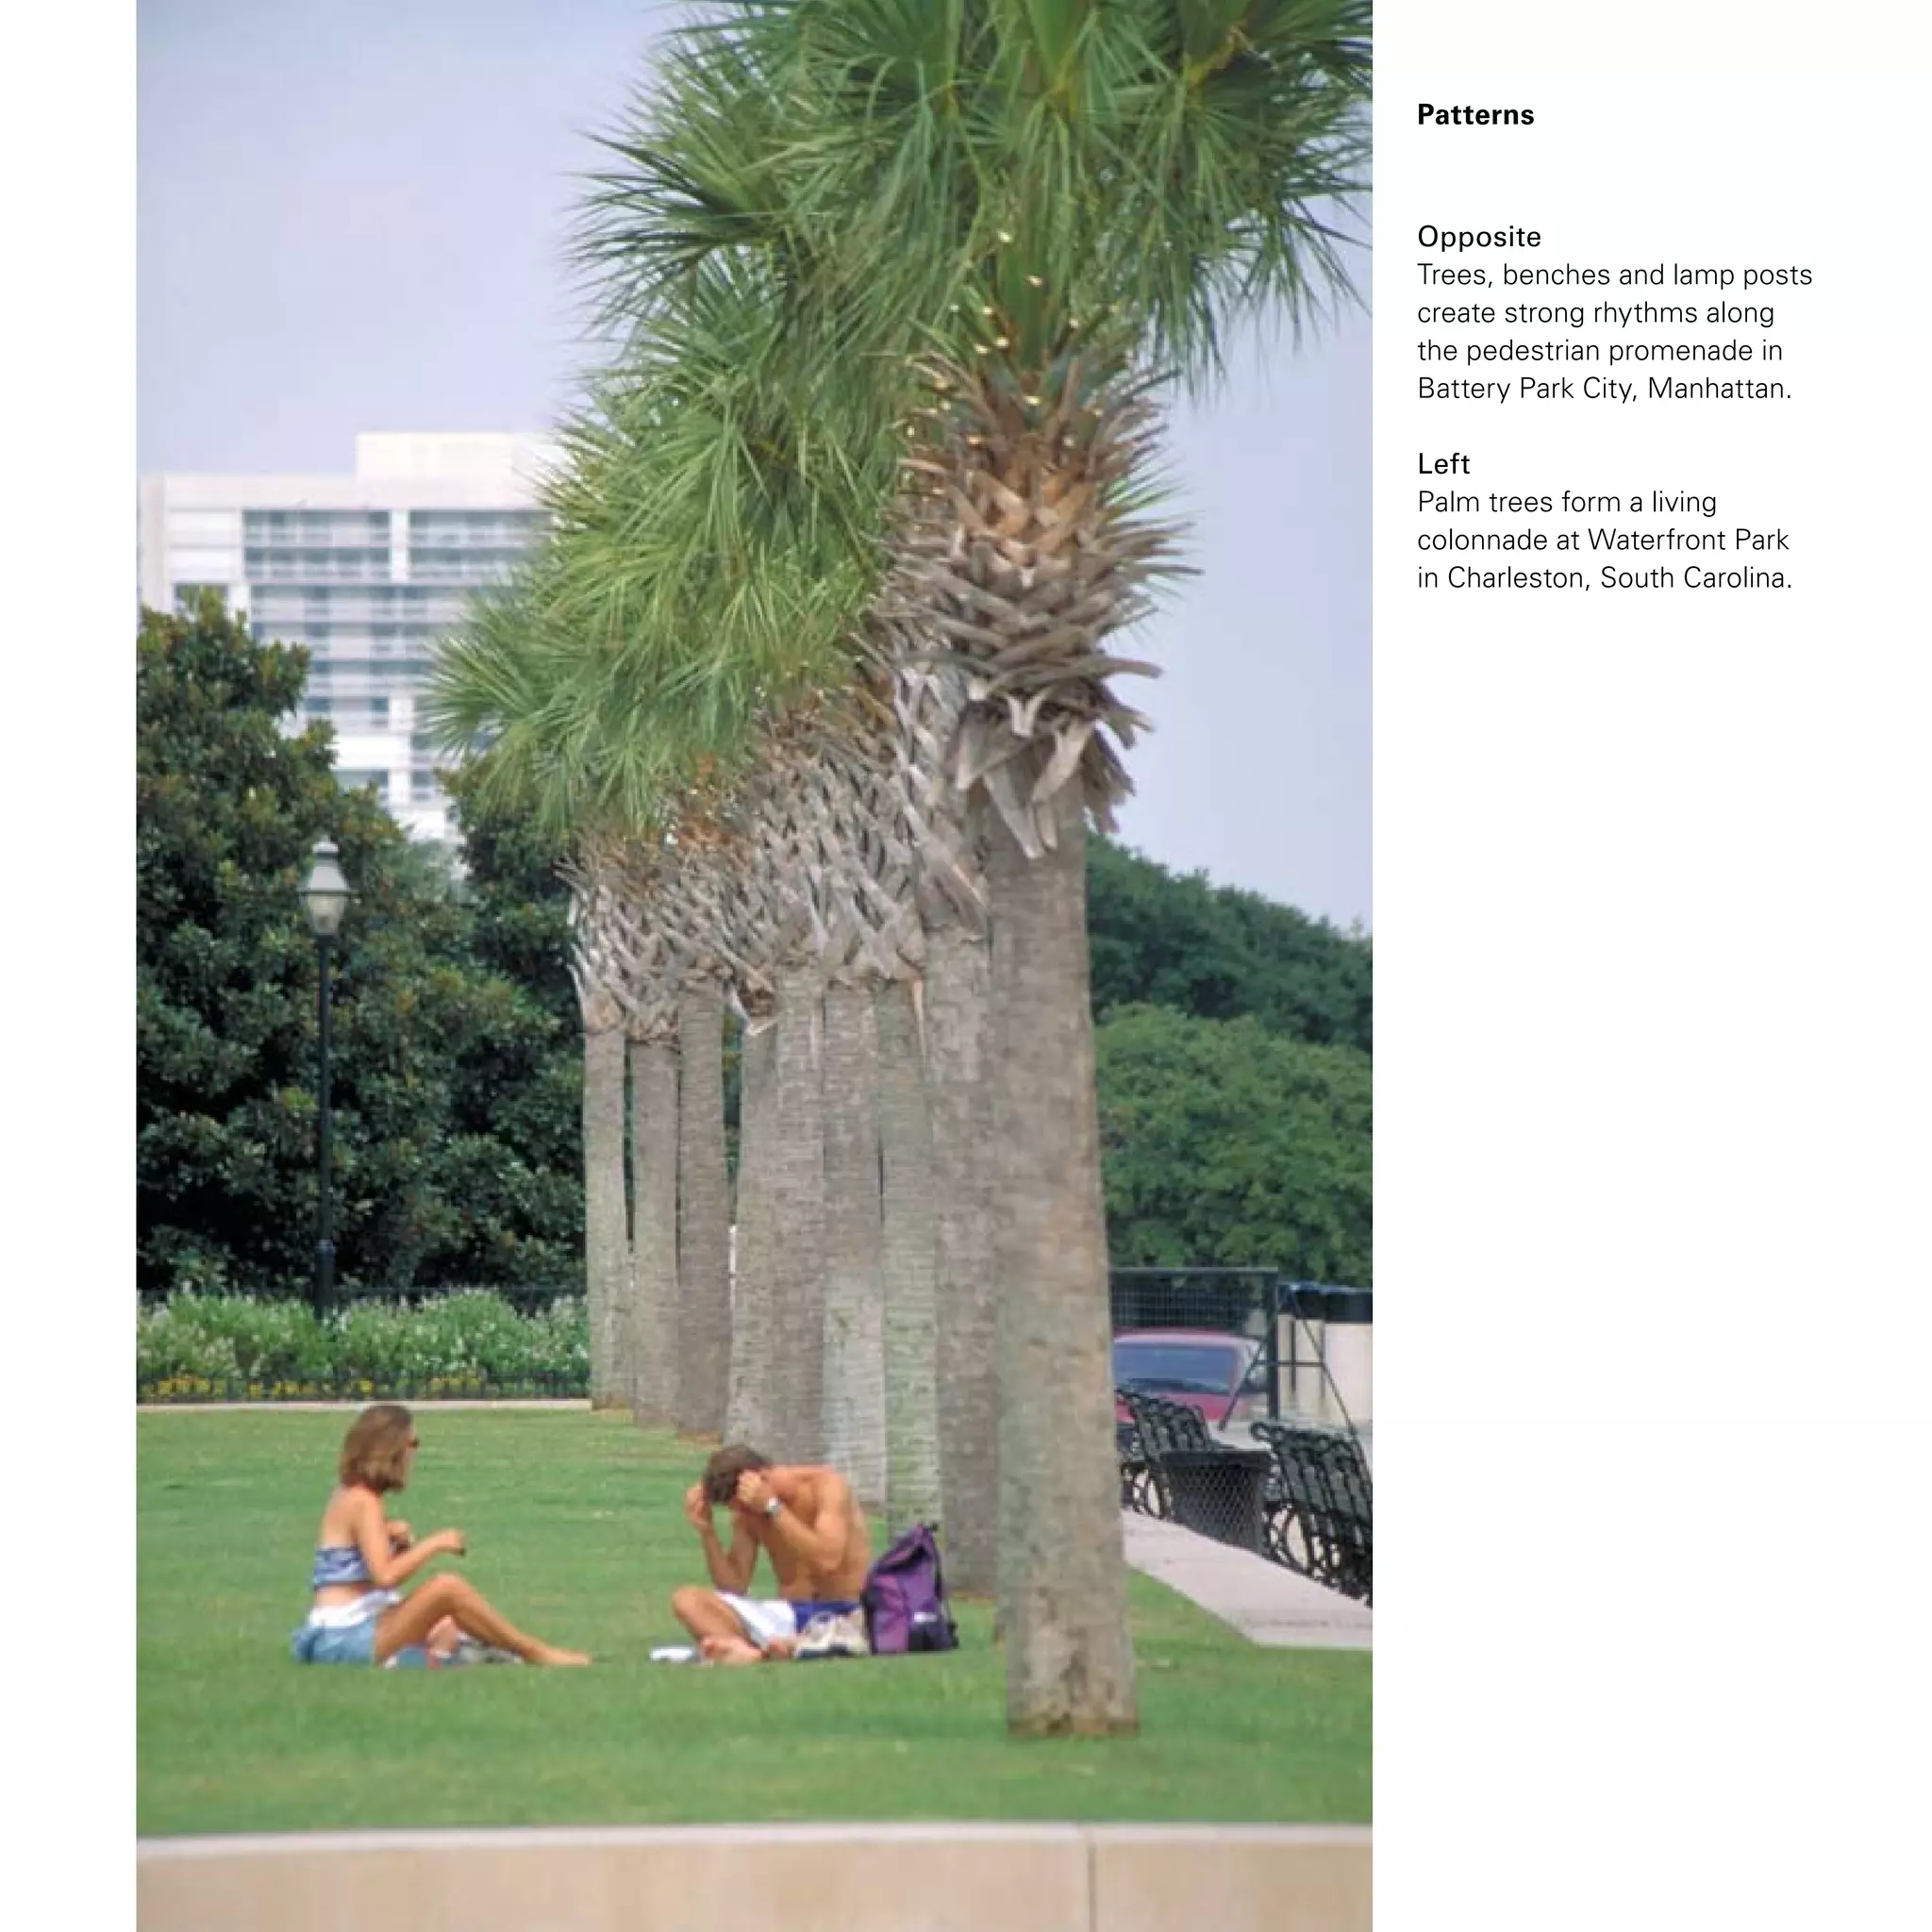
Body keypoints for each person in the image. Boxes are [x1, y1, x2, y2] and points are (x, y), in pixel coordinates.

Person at [291, 1401, 590, 1668]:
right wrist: (436, 1543)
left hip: (339, 1632)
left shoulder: (348, 1496)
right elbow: (384, 1576)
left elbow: (353, 1566)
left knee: (449, 1625)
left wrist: (391, 1535)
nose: (414, 1454)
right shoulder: (363, 1502)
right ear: (392, 1450)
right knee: (447, 1589)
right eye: (413, 1444)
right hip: (344, 1638)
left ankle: (444, 1658)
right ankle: (535, 1654)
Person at [670, 1444, 873, 1664]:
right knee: (686, 1600)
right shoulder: (747, 1512)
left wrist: (773, 1507)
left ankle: (761, 1649)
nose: (746, 1514)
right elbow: (734, 1587)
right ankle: (757, 1653)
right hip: (788, 1615)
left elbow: (827, 1561)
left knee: (840, 1629)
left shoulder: (826, 1485)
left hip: (842, 1614)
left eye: (745, 1507)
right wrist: (707, 1532)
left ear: (762, 1477)